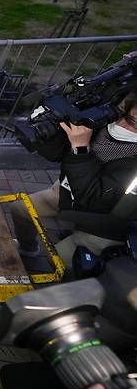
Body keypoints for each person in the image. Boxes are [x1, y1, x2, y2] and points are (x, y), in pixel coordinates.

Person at [10, 89, 137, 270]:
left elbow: (94, 200)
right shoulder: (104, 121)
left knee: (59, 261)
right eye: (120, 111)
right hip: (68, 191)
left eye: (132, 121)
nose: (119, 122)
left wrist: (80, 147)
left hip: (104, 224)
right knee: (20, 209)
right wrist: (51, 126)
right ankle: (27, 250)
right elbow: (57, 154)